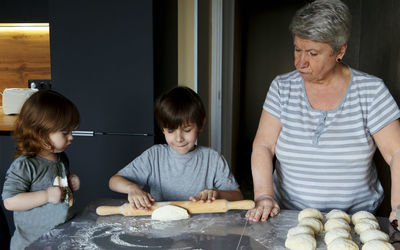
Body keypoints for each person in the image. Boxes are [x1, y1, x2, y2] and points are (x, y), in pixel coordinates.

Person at [246, 0, 400, 222]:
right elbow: (263, 146)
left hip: (355, 219)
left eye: (312, 53)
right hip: (289, 215)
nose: (300, 62)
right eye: (297, 49)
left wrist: (398, 206)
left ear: (340, 50)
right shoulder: (282, 87)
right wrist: (263, 196)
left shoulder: (371, 90)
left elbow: (396, 152)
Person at [109, 86, 243, 210]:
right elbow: (114, 181)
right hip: (162, 228)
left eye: (187, 130)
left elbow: (238, 197)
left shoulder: (213, 159)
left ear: (201, 124)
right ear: (163, 129)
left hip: (200, 230)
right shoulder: (154, 156)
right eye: (171, 131)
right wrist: (132, 188)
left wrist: (217, 193)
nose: (179, 139)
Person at [2, 90, 81, 249]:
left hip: (59, 239)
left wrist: (71, 181)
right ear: (40, 133)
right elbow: (10, 201)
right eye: (65, 133)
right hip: (31, 245)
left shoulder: (61, 158)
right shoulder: (26, 165)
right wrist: (45, 195)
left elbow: (60, 189)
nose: (71, 137)